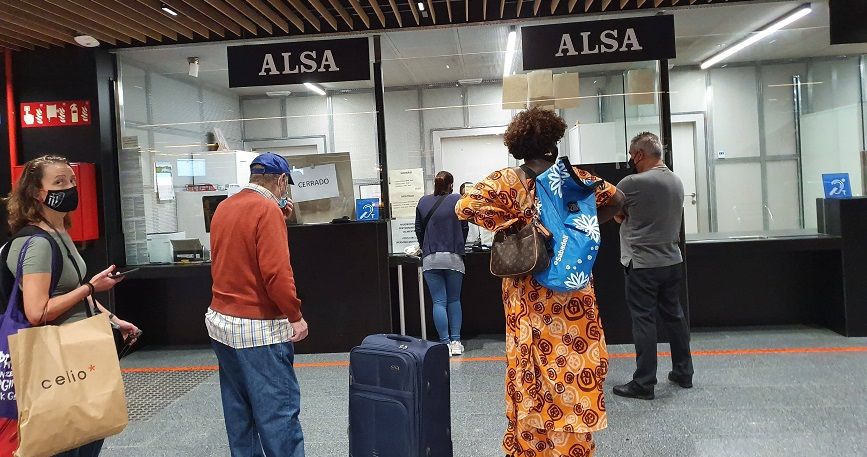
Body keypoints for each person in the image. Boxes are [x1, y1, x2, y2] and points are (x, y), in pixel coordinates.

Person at [456, 108, 624, 457]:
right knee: (574, 374)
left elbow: (466, 207)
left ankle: (533, 448)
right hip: (574, 294)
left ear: (518, 145)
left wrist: (517, 223)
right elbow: (618, 199)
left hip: (529, 295)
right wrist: (577, 229)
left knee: (531, 372)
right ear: (553, 141)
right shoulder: (576, 178)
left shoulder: (507, 181)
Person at [1, 155, 139, 457]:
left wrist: (114, 319)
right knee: (65, 439)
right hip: (54, 359)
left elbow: (74, 291)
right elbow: (38, 311)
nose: (70, 187)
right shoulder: (36, 243)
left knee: (89, 430)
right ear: (37, 193)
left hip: (74, 354)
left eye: (72, 180)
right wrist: (91, 286)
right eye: (59, 182)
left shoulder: (59, 232)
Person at [206, 153, 308, 457]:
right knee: (279, 413)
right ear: (280, 181)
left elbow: (236, 251)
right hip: (257, 328)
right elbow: (276, 273)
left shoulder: (224, 206)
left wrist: (279, 218)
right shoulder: (267, 210)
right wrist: (295, 315)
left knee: (240, 412)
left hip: (221, 322)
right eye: (286, 185)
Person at [612, 132, 694, 401]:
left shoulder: (632, 182)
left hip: (643, 264)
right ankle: (684, 371)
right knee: (675, 316)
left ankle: (644, 382)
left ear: (638, 155)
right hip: (672, 261)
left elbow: (617, 215)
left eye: (631, 156)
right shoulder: (677, 181)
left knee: (644, 321)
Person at [416, 171, 469, 356]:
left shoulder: (423, 202)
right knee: (454, 300)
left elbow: (418, 229)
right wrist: (458, 243)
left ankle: (444, 344)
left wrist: (426, 247)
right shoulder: (458, 200)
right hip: (453, 256)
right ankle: (456, 341)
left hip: (431, 257)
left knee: (439, 301)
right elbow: (464, 227)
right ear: (451, 185)